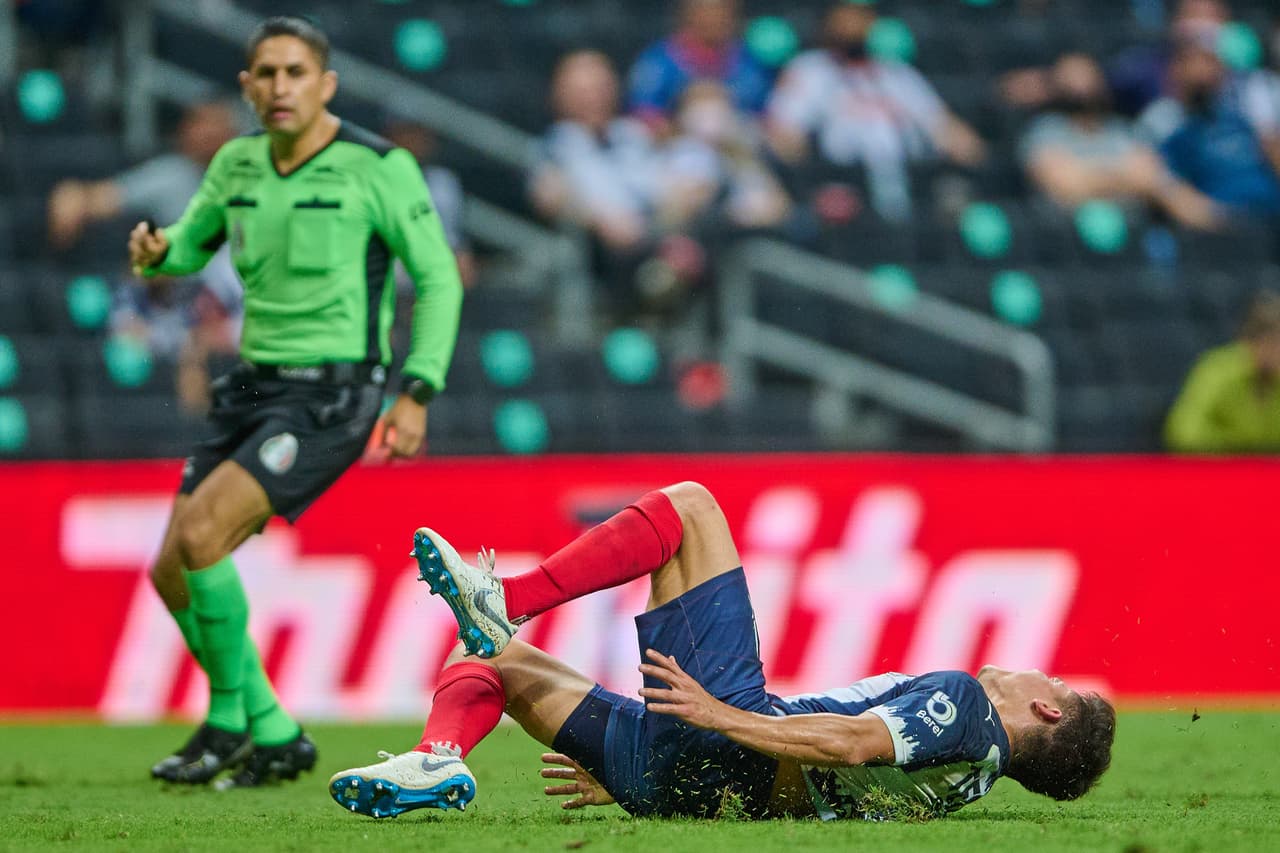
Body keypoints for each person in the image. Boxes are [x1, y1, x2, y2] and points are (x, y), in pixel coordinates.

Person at [330, 482, 1115, 820]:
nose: (1031, 669)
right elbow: (840, 789)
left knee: (692, 509)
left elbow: (849, 741)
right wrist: (656, 776)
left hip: (727, 744)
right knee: (499, 668)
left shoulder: (971, 711)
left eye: (1050, 679)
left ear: (1045, 707)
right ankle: (437, 758)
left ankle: (508, 598)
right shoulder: (970, 779)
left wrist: (717, 717)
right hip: (704, 789)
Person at [126, 16, 463, 788]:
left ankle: (227, 722)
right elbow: (191, 240)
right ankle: (277, 731)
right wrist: (160, 253)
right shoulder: (238, 162)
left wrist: (417, 390)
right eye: (266, 74)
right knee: (170, 570)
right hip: (251, 383)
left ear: (326, 85)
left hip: (333, 391)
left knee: (204, 534)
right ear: (247, 86)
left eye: (295, 73)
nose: (280, 87)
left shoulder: (378, 167)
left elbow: (439, 278)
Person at [765, 2, 984, 219]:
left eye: (862, 16)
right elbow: (784, 135)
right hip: (841, 182)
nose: (855, 24)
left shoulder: (897, 73)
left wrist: (962, 147)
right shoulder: (811, 69)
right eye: (848, 14)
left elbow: (950, 133)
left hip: (908, 180)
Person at [1019, 53, 1220, 229]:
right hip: (1067, 236)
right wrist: (1125, 178)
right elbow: (1065, 187)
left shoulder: (1122, 131)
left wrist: (1089, 178)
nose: (1080, 86)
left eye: (1086, 76)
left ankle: (1228, 228)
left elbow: (1151, 178)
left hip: (1134, 232)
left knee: (1175, 193)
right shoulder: (1045, 131)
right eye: (1071, 79)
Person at [1144, 30, 1280, 221]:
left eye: (1209, 62)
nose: (1202, 72)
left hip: (1269, 215)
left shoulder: (1241, 117)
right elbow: (1156, 177)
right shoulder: (1168, 123)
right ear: (1175, 70)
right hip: (1218, 224)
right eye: (1192, 62)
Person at [626, 0, 774, 134]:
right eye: (710, 10)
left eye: (725, 10)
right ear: (689, 14)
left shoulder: (748, 59)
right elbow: (643, 113)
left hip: (741, 148)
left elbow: (765, 114)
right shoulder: (658, 61)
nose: (719, 17)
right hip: (675, 148)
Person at [1166, 291, 1280, 453]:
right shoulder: (1216, 370)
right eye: (1276, 342)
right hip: (1218, 469)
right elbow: (1184, 432)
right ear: (1258, 341)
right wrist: (1235, 447)